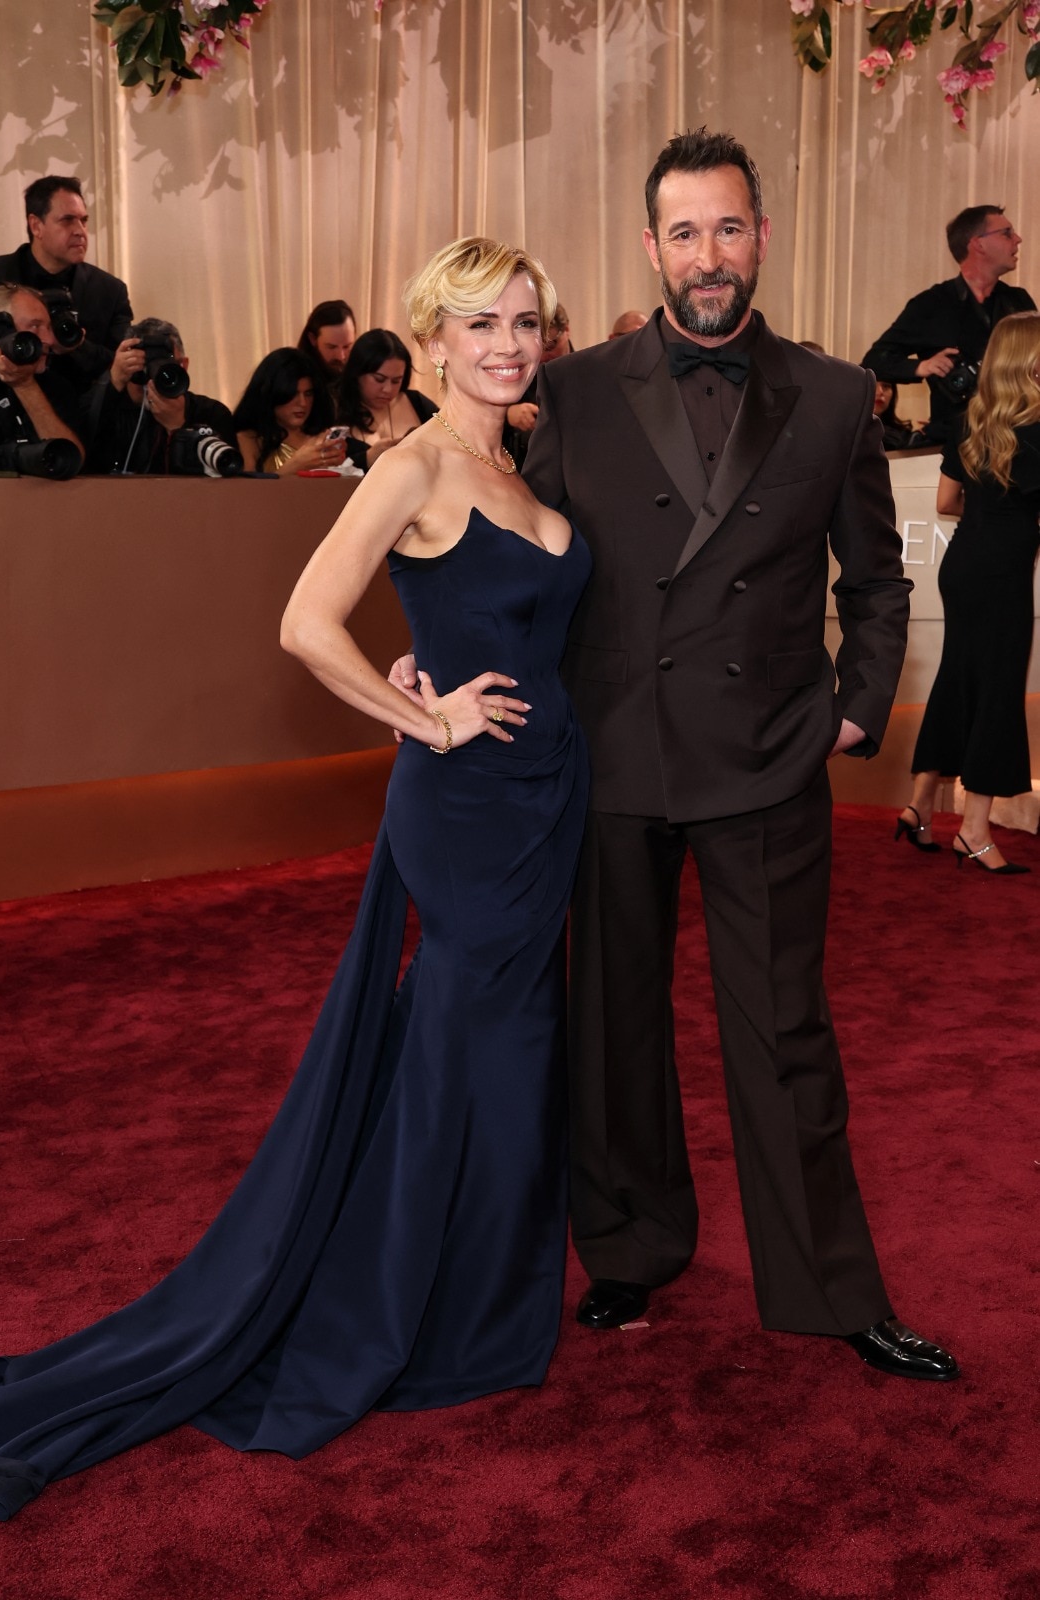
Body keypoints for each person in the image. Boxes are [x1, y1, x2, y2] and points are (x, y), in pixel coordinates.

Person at [0, 236, 589, 1523]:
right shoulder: (417, 462)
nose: (506, 343)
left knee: (513, 1059)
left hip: (545, 805)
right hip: (467, 808)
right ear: (429, 340)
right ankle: (399, 1312)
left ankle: (481, 1304)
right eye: (478, 323)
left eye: (524, 319)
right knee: (459, 1061)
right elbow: (307, 621)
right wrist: (419, 718)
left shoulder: (513, 458)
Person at [514, 128, 957, 1379]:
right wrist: (440, 661)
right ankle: (629, 1247)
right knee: (613, 1025)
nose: (707, 255)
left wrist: (858, 710)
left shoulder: (831, 395)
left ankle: (828, 1286)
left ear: (760, 237)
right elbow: (530, 564)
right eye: (684, 231)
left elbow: (873, 580)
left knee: (783, 1031)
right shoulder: (581, 389)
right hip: (607, 757)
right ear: (650, 246)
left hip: (766, 755)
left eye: (728, 227)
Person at [897, 312, 1040, 874]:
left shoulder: (970, 420)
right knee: (998, 692)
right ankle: (974, 830)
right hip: (1002, 572)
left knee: (958, 680)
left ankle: (920, 803)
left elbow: (944, 504)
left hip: (962, 565)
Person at [861, 204, 1035, 444]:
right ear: (978, 244)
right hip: (958, 440)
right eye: (1007, 233)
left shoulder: (1018, 301)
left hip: (1020, 435)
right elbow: (873, 361)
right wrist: (921, 367)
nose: (1018, 239)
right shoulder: (931, 304)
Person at [0, 176, 134, 392]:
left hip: (83, 417)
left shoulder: (109, 291)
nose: (80, 231)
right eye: (67, 220)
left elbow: (123, 369)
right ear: (36, 226)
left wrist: (78, 346)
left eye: (83, 220)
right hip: (0, 414)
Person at [82, 318, 238, 475]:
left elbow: (225, 483)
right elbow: (81, 452)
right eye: (143, 366)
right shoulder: (105, 409)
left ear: (184, 366)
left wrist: (178, 429)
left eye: (166, 366)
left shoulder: (211, 413)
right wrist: (112, 381)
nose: (152, 379)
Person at [0, 283, 85, 470]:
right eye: (35, 326)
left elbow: (70, 461)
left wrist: (25, 386)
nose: (49, 340)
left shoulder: (57, 387)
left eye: (49, 327)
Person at [335, 327, 437, 472]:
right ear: (357, 373)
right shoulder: (334, 408)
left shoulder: (418, 403)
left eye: (396, 381)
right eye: (379, 379)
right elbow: (322, 470)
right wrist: (366, 459)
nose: (388, 389)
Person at [232, 347, 343, 474]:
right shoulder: (249, 440)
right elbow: (248, 492)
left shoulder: (323, 436)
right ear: (272, 393)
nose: (303, 403)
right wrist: (294, 466)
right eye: (293, 394)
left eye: (308, 394)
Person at [505, 302, 573, 469]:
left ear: (567, 331)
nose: (542, 355)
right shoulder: (516, 372)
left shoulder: (591, 372)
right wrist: (508, 414)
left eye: (550, 346)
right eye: (537, 347)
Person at [297, 298, 357, 389]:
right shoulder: (297, 382)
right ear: (313, 339)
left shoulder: (363, 376)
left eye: (346, 346)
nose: (341, 357)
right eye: (332, 347)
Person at [873, 377, 919, 451]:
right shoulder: (849, 435)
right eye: (872, 385)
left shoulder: (902, 436)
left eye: (886, 386)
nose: (880, 392)